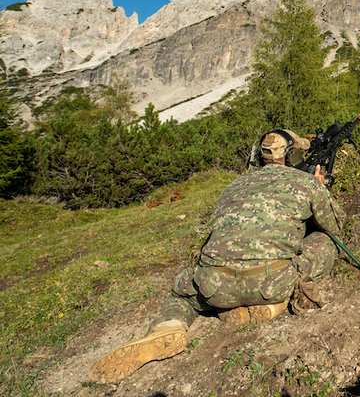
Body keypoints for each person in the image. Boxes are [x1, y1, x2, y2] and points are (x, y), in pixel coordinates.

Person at [89, 129, 342, 383]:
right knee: (325, 242)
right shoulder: (305, 182)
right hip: (272, 283)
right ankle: (273, 304)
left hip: (216, 288)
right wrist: (320, 189)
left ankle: (168, 326)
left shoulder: (232, 186)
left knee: (182, 294)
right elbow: (334, 226)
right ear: (292, 155)